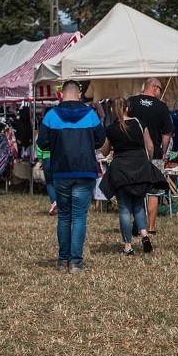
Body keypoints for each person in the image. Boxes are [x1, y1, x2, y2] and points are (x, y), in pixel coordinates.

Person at [37, 80, 106, 274]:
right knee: (79, 217)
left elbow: (42, 144)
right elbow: (100, 140)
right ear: (79, 95)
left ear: (62, 94)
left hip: (61, 172)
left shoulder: (51, 116)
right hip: (85, 172)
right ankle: (76, 262)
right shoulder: (91, 115)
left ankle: (62, 260)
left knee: (64, 217)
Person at [100, 98, 166, 255]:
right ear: (127, 107)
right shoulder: (138, 122)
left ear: (111, 110)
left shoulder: (111, 129)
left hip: (121, 170)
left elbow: (104, 151)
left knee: (124, 208)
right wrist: (147, 162)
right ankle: (144, 234)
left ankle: (128, 246)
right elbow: (150, 146)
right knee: (138, 204)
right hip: (140, 166)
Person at [128, 77, 174, 234]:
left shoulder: (131, 102)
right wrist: (163, 152)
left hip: (132, 152)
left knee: (134, 188)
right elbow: (167, 133)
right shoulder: (161, 107)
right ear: (155, 88)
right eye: (160, 89)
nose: (160, 92)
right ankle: (151, 227)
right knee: (153, 190)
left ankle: (138, 222)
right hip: (155, 153)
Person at [36, 143, 57, 215]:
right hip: (58, 157)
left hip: (46, 158)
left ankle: (54, 202)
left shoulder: (43, 131)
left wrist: (40, 159)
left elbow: (39, 144)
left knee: (49, 182)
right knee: (61, 182)